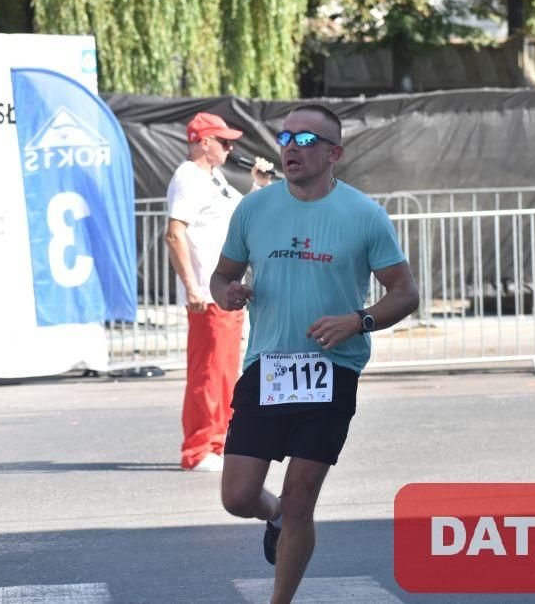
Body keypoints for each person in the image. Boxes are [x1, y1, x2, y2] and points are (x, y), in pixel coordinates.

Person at [210, 104, 419, 602]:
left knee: (302, 498)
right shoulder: (254, 209)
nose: (291, 148)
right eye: (285, 138)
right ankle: (275, 514)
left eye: (306, 140)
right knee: (238, 496)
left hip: (331, 369)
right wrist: (227, 293)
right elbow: (222, 277)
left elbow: (405, 293)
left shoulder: (364, 215)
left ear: (334, 154)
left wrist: (359, 320)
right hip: (268, 367)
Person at [164, 112, 273, 472]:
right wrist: (192, 286)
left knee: (225, 372)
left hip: (224, 293)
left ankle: (219, 442)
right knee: (208, 372)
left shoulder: (215, 178)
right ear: (204, 142)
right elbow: (175, 233)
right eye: (224, 141)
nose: (229, 148)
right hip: (208, 295)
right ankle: (198, 449)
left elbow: (239, 215)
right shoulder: (188, 177)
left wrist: (258, 185)